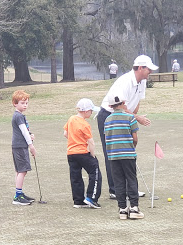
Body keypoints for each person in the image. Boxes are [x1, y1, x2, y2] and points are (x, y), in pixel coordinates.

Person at [97, 55, 157, 200]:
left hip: (124, 116)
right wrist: (137, 119)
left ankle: (129, 189)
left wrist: (132, 120)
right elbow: (120, 107)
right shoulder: (125, 81)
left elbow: (136, 103)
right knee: (112, 153)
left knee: (127, 151)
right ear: (140, 68)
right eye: (148, 69)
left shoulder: (142, 82)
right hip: (108, 116)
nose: (150, 71)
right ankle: (115, 190)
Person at [104, 93, 144, 219]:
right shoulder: (130, 118)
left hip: (113, 156)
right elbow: (135, 138)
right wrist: (131, 148)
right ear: (123, 103)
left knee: (119, 182)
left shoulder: (107, 120)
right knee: (131, 179)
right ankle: (134, 208)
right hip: (128, 154)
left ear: (111, 106)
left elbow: (107, 138)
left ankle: (122, 209)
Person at [63, 98, 103, 209]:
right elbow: (91, 142)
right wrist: (92, 155)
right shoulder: (85, 124)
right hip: (82, 152)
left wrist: (74, 140)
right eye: (91, 111)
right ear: (86, 111)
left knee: (75, 176)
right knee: (95, 172)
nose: (91, 113)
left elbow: (65, 134)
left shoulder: (71, 119)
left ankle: (78, 200)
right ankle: (91, 197)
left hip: (71, 153)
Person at [11, 90, 36, 205]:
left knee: (20, 171)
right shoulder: (18, 116)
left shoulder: (20, 116)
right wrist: (31, 146)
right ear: (15, 103)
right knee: (22, 171)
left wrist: (30, 135)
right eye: (22, 103)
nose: (25, 105)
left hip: (19, 146)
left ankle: (19, 193)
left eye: (26, 103)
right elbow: (24, 132)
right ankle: (18, 196)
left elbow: (25, 131)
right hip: (20, 146)